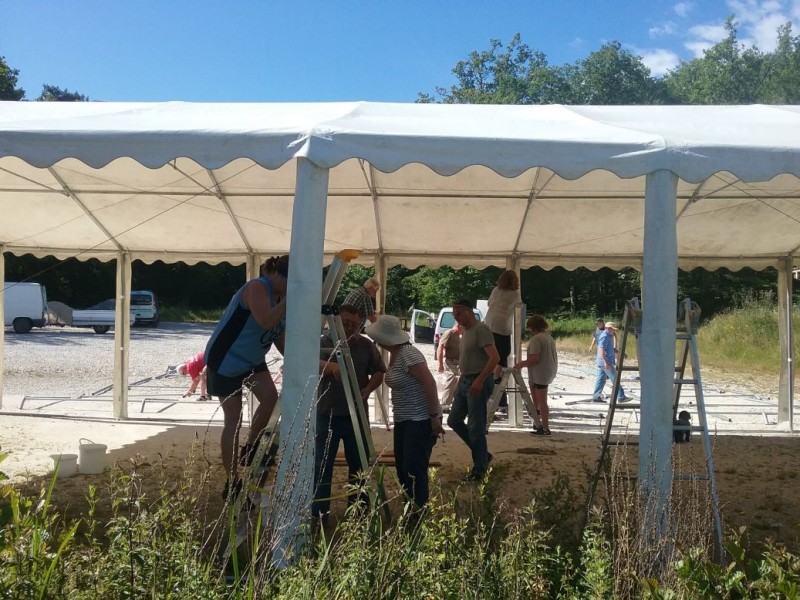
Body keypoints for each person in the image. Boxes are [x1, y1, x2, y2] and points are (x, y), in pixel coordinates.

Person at [204, 254, 289, 499]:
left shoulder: (282, 296)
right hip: (225, 360)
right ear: (275, 274)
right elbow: (265, 321)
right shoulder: (257, 287)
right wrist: (291, 300)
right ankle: (232, 482)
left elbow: (277, 335)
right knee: (234, 419)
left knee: (271, 399)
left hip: (251, 359)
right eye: (289, 280)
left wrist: (301, 360)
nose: (290, 285)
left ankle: (251, 447)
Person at [313, 304, 386, 518]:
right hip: (327, 414)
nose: (350, 327)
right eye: (345, 322)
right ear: (334, 322)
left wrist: (368, 389)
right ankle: (319, 512)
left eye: (354, 324)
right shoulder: (322, 343)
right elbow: (307, 362)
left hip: (357, 415)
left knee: (360, 465)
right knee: (322, 466)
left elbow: (380, 371)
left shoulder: (365, 345)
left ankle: (359, 512)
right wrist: (331, 367)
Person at [364, 315, 444, 510]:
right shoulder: (396, 354)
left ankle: (418, 512)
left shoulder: (409, 354)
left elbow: (430, 383)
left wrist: (434, 418)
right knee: (403, 469)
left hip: (419, 419)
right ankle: (413, 509)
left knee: (414, 470)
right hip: (405, 419)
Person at [446, 299, 499, 481]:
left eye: (459, 314)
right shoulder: (466, 332)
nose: (457, 318)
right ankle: (483, 455)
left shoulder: (481, 330)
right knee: (453, 420)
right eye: (454, 316)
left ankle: (479, 470)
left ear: (469, 311)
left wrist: (480, 380)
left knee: (476, 426)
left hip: (479, 380)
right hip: (466, 380)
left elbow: (494, 358)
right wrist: (460, 384)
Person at [514, 315, 558, 436]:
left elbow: (535, 358)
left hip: (540, 373)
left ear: (533, 327)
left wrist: (520, 364)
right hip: (546, 372)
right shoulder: (548, 338)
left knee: (542, 402)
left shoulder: (536, 339)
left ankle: (545, 428)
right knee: (538, 401)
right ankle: (538, 423)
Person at [483, 270, 522, 407]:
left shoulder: (495, 290)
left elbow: (488, 304)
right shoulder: (515, 294)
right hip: (502, 325)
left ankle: (490, 376)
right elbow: (519, 306)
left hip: (489, 323)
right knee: (503, 353)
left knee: (490, 351)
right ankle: (495, 378)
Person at [592, 321, 627, 403]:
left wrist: (621, 353)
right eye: (613, 329)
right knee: (615, 379)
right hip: (605, 362)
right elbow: (601, 349)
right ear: (608, 328)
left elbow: (610, 349)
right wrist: (606, 362)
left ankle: (596, 396)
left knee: (601, 380)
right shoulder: (605, 337)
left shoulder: (608, 336)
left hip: (603, 362)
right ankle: (621, 396)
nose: (614, 331)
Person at [436, 321, 463, 410]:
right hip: (450, 361)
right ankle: (445, 405)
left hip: (459, 362)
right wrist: (439, 363)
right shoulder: (449, 333)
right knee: (451, 381)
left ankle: (456, 404)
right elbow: (440, 347)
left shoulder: (461, 335)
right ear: (458, 325)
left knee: (458, 383)